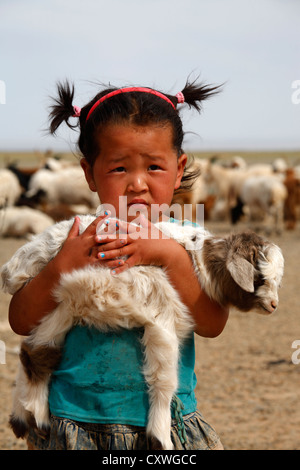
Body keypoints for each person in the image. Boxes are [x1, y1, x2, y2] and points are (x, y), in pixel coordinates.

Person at [7, 78, 228, 450]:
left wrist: (168, 256)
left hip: (164, 427)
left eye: (155, 167)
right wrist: (62, 267)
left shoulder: (188, 242)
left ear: (179, 168)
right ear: (90, 174)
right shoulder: (74, 238)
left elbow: (212, 323)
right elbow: (20, 321)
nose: (137, 184)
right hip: (73, 424)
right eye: (119, 169)